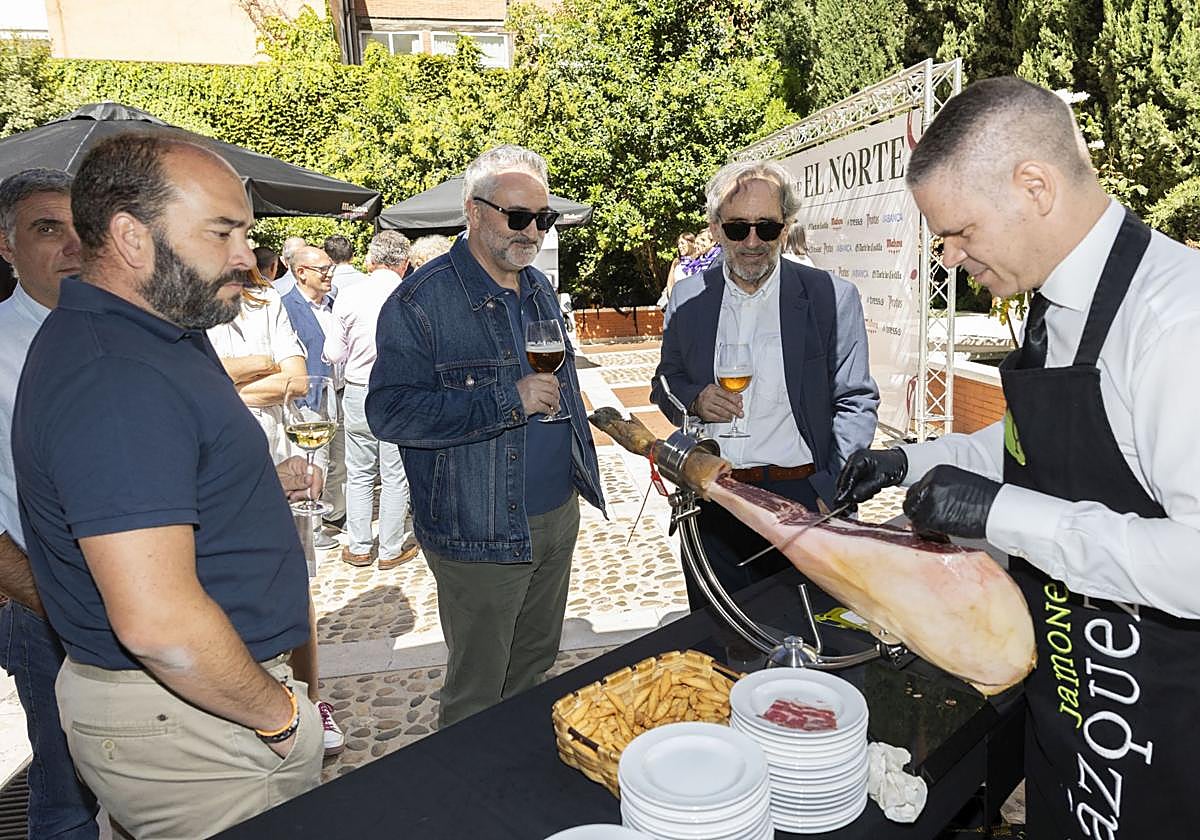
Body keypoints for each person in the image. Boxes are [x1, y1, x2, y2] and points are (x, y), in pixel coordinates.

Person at [833, 77, 1200, 840]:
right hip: (1069, 707)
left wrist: (1001, 514)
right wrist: (910, 463)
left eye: (960, 231)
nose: (949, 256)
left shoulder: (1175, 323)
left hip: (1160, 733)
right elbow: (1037, 445)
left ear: (1035, 186)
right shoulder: (1053, 303)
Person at [11, 133, 324, 837]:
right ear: (131, 237)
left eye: (245, 232)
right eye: (222, 232)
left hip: (185, 711)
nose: (246, 256)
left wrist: (245, 487)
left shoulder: (157, 333)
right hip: (195, 719)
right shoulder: (116, 374)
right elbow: (157, 623)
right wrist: (280, 718)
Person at [366, 145, 606, 727]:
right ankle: (469, 781)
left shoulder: (538, 288)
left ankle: (515, 768)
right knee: (477, 691)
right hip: (479, 528)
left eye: (542, 218)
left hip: (556, 516)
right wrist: (506, 400)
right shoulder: (421, 302)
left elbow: (557, 382)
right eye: (518, 216)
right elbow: (390, 413)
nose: (533, 232)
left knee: (534, 667)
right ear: (473, 212)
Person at [651, 160, 878, 611]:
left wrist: (830, 491)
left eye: (767, 227)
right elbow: (664, 383)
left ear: (786, 227)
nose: (752, 242)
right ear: (715, 229)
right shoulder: (688, 297)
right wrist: (694, 399)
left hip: (804, 500)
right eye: (738, 228)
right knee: (719, 638)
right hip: (715, 498)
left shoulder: (831, 297)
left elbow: (856, 399)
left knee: (812, 635)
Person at [206, 263, 346, 757]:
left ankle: (310, 700)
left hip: (278, 460)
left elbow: (297, 381)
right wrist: (262, 364)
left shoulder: (264, 301)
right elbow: (191, 389)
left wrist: (226, 379)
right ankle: (250, 706)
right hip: (214, 473)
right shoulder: (175, 307)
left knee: (295, 585)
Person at [0, 168, 100, 839]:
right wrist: (46, 602)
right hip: (48, 613)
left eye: (80, 227)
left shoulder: (129, 328)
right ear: (5, 245)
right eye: (46, 228)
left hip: (159, 597)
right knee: (67, 799)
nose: (72, 245)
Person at [324, 231, 419, 570]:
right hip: (400, 390)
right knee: (395, 473)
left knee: (359, 471)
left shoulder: (349, 295)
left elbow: (333, 352)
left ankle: (360, 546)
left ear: (370, 260)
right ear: (404, 263)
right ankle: (390, 549)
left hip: (358, 389)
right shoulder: (412, 293)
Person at [281, 245, 348, 550]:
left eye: (330, 267)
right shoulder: (286, 307)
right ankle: (312, 526)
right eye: (323, 269)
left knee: (340, 459)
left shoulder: (335, 303)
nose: (329, 273)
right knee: (314, 461)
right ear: (301, 273)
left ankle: (334, 514)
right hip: (309, 399)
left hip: (339, 392)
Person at [659, 232, 697, 309]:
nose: (680, 246)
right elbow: (670, 283)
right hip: (677, 301)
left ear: (691, 243)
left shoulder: (699, 261)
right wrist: (672, 300)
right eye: (679, 244)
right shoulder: (676, 262)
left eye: (682, 243)